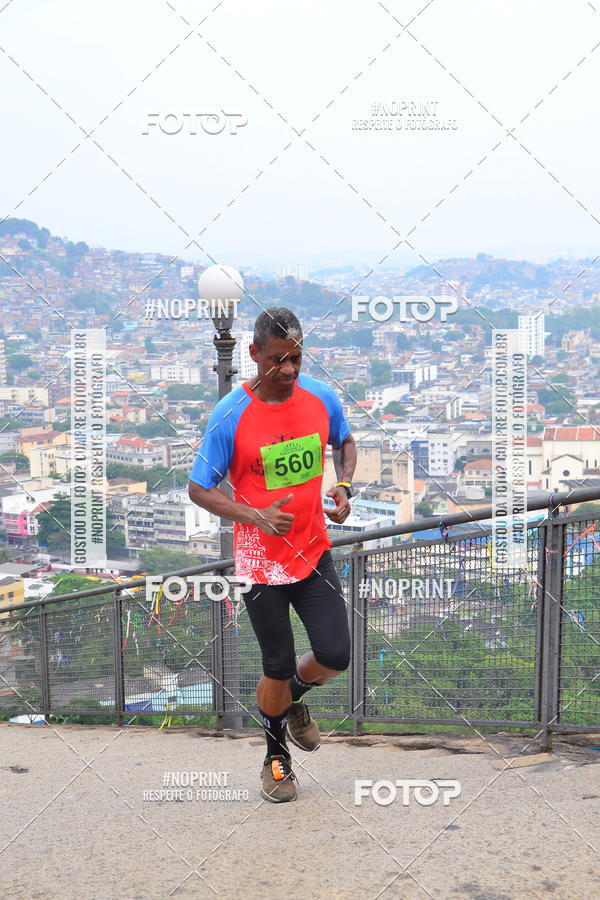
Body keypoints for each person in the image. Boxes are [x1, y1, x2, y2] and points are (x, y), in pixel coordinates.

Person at [188, 306, 357, 802]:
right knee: (277, 665)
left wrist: (343, 484)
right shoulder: (230, 417)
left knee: (335, 655)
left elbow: (345, 442)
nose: (287, 371)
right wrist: (255, 515)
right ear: (253, 354)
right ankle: (275, 756)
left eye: (296, 361)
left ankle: (291, 703)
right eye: (278, 360)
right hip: (261, 562)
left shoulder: (320, 398)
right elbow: (200, 489)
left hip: (313, 550)